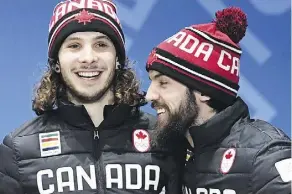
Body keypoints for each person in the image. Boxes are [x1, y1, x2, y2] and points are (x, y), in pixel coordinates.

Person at [0, 0, 186, 193]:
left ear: (117, 60)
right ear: (56, 62)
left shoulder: (165, 138)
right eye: (74, 45)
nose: (88, 58)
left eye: (100, 44)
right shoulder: (18, 150)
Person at [145, 6, 291, 194]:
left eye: (163, 83)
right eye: (151, 81)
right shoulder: (175, 149)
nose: (150, 95)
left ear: (205, 92)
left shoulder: (266, 158)